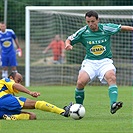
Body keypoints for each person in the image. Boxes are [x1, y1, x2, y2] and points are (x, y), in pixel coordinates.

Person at [65, 10, 133, 114]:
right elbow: (69, 39)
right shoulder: (83, 31)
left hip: (105, 62)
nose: (90, 24)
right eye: (88, 22)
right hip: (90, 62)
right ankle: (78, 107)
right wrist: (68, 45)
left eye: (93, 21)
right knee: (80, 82)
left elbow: (121, 28)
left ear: (98, 20)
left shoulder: (106, 28)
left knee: (112, 77)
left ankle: (113, 104)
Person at [0, 72, 73, 120]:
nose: (19, 83)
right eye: (18, 80)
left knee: (32, 116)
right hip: (2, 99)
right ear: (11, 78)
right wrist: (30, 92)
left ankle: (11, 117)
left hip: (2, 110)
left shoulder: (9, 92)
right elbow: (15, 85)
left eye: (21, 82)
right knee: (34, 103)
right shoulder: (6, 80)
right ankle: (63, 112)